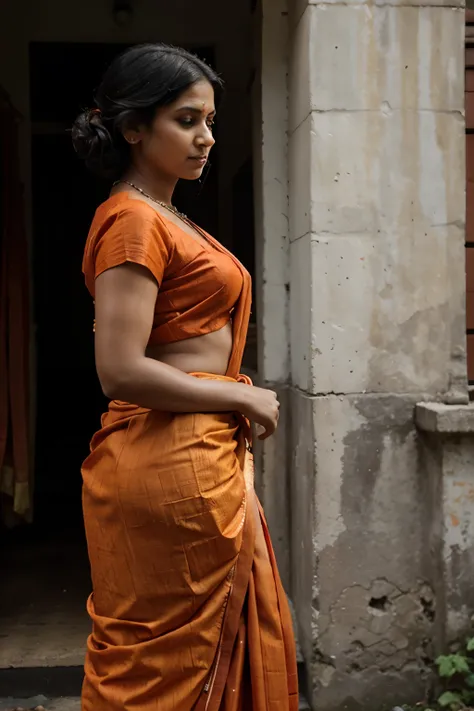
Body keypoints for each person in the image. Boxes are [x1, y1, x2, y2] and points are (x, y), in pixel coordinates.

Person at [72, 43, 298, 711]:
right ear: (133, 127)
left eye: (210, 121)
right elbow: (119, 370)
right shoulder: (133, 221)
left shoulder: (164, 213)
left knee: (208, 659)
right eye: (186, 120)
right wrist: (238, 391)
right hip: (167, 459)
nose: (206, 138)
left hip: (197, 459)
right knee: (163, 675)